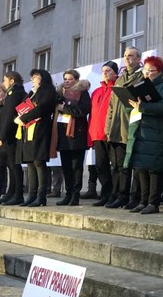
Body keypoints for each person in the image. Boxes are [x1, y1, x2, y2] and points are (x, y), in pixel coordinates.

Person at [126, 56, 163, 214]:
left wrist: (144, 107)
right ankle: (142, 201)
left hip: (157, 133)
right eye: (145, 70)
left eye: (151, 71)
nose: (147, 74)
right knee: (141, 167)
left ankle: (153, 203)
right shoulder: (140, 85)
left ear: (159, 71)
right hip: (142, 130)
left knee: (154, 169)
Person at [104, 46, 143, 208]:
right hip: (117, 128)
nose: (128, 59)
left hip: (134, 126)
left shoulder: (142, 76)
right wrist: (108, 127)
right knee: (121, 165)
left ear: (138, 59)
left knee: (136, 165)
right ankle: (121, 195)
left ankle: (135, 197)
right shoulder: (119, 79)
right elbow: (111, 106)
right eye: (126, 56)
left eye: (132, 56)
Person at [14, 69, 58, 207]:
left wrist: (24, 117)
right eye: (32, 77)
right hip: (29, 128)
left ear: (43, 78)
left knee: (39, 162)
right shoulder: (32, 92)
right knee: (31, 162)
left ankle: (41, 196)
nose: (32, 79)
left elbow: (41, 109)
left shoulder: (48, 92)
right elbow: (24, 107)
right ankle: (31, 195)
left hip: (41, 129)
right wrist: (20, 117)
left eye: (35, 77)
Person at [51, 69, 91, 206]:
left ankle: (75, 195)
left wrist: (65, 109)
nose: (67, 81)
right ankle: (68, 194)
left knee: (76, 167)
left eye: (70, 78)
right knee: (66, 167)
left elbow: (83, 111)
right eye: (65, 78)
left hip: (76, 135)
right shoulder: (60, 93)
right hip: (63, 134)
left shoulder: (82, 92)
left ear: (76, 80)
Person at [88, 61, 119, 206]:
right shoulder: (96, 92)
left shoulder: (118, 89)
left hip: (112, 134)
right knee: (101, 166)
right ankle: (105, 195)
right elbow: (92, 115)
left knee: (116, 166)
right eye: (103, 70)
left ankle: (115, 195)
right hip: (97, 135)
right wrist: (90, 135)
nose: (105, 73)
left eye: (108, 70)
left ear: (115, 72)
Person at [0, 71, 26, 205]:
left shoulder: (14, 94)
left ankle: (18, 194)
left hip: (12, 134)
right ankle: (11, 192)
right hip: (12, 133)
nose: (4, 83)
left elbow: (8, 116)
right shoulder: (15, 93)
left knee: (14, 165)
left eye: (5, 80)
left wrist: (2, 136)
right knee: (11, 165)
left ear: (12, 80)